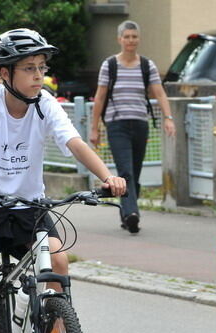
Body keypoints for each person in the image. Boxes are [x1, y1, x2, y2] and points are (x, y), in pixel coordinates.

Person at [0, 29, 125, 333]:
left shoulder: (45, 103)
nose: (38, 76)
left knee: (59, 264)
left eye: (41, 67)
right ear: (5, 73)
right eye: (29, 68)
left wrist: (106, 176)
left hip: (31, 204)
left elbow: (73, 142)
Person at [88, 20, 176, 235]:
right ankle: (131, 214)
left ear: (139, 39)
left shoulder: (147, 65)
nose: (130, 40)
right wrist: (95, 128)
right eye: (126, 37)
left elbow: (160, 93)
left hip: (140, 124)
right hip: (116, 124)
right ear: (119, 39)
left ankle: (125, 214)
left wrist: (168, 117)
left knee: (134, 174)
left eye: (134, 37)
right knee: (125, 171)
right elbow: (99, 97)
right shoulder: (110, 65)